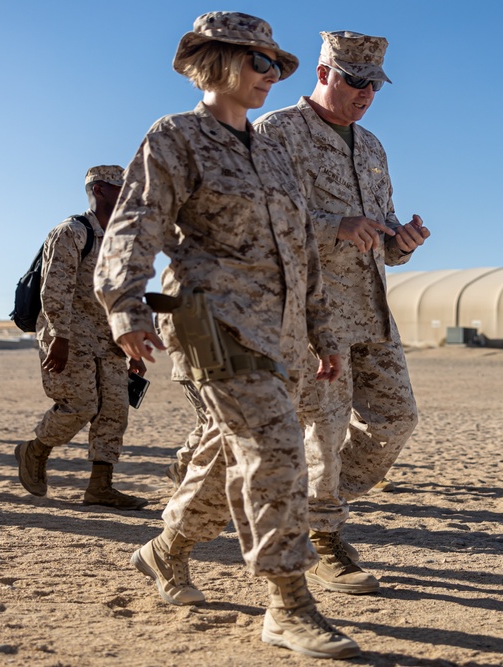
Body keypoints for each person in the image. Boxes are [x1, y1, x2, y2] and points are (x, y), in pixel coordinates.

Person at [93, 12, 359, 660]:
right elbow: (135, 225)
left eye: (275, 65)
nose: (270, 75)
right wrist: (123, 307)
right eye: (258, 63)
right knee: (274, 449)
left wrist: (324, 330)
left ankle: (164, 551)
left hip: (280, 332)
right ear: (216, 64)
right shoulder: (176, 138)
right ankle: (287, 603)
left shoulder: (273, 151)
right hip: (212, 321)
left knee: (224, 457)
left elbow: (303, 251)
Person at [254, 30, 429, 595]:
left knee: (396, 419)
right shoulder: (276, 133)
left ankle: (306, 500)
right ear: (325, 72)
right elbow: (259, 223)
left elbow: (378, 232)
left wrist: (400, 242)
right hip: (313, 312)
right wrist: (334, 228)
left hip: (372, 309)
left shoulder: (373, 146)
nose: (366, 93)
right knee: (323, 427)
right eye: (356, 81)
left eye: (375, 84)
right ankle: (322, 534)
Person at [14, 166, 148, 511]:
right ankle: (35, 450)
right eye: (121, 190)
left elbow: (123, 294)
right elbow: (55, 288)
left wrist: (132, 343)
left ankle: (100, 487)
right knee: (80, 406)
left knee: (115, 410)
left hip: (109, 339)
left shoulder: (122, 239)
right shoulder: (71, 232)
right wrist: (59, 336)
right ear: (100, 190)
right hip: (70, 335)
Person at [155, 266, 211, 489]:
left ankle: (182, 468)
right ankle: (183, 469)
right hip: (195, 362)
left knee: (209, 421)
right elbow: (169, 320)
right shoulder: (185, 265)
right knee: (212, 421)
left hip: (226, 362)